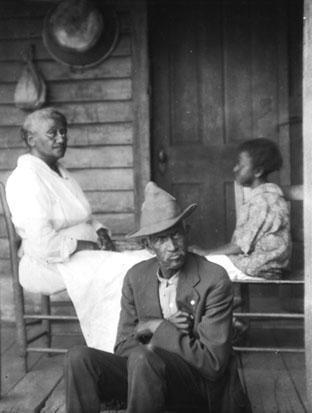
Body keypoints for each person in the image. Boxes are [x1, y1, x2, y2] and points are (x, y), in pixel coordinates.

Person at [65, 182, 251, 413]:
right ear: (148, 244)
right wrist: (150, 328)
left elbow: (213, 364)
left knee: (144, 357)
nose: (172, 246)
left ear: (187, 231)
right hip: (147, 376)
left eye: (176, 234)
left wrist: (158, 328)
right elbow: (123, 348)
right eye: (161, 239)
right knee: (79, 357)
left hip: (198, 386)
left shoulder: (213, 278)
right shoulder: (136, 277)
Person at [6, 107, 154, 351]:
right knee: (123, 269)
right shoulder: (26, 179)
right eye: (52, 133)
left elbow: (85, 218)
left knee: (139, 261)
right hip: (46, 263)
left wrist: (101, 232)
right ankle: (113, 347)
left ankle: (133, 339)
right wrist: (88, 245)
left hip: (81, 254)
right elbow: (42, 244)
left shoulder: (61, 173)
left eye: (64, 132)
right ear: (31, 139)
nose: (61, 138)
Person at [190, 138, 291, 281]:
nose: (235, 168)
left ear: (258, 171)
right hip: (262, 263)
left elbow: (241, 245)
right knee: (201, 264)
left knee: (197, 265)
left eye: (240, 165)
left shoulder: (263, 201)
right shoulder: (264, 197)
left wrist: (206, 253)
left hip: (261, 266)